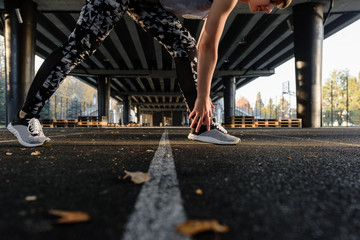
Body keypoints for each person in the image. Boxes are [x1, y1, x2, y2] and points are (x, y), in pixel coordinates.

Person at [7, 0, 291, 147]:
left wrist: (205, 97)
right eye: (271, 0)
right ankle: (24, 118)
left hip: (147, 2)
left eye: (274, 7)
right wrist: (204, 96)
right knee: (79, 44)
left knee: (183, 45)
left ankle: (202, 126)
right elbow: (209, 45)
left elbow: (204, 44)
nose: (267, 9)